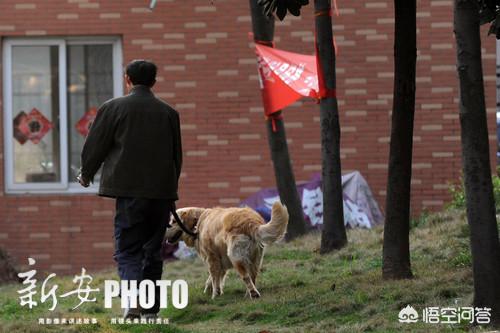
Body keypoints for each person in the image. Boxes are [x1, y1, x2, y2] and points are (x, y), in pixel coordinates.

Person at [78, 59, 182, 319]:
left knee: (127, 249)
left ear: (127, 79)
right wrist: (170, 190)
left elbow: (95, 146)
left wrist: (86, 174)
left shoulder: (113, 108)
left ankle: (133, 302)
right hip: (160, 192)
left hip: (129, 192)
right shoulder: (169, 113)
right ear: (154, 82)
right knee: (152, 249)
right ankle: (151, 310)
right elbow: (175, 157)